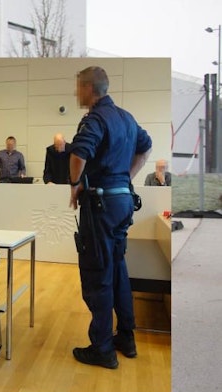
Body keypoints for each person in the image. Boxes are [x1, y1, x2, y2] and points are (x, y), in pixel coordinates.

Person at [68, 66, 152, 369]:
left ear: (89, 88)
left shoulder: (95, 118)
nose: (76, 93)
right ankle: (125, 338)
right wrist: (125, 179)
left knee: (97, 272)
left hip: (101, 205)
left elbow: (78, 154)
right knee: (117, 268)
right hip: (123, 202)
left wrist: (75, 185)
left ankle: (102, 348)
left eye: (78, 87)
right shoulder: (126, 118)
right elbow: (146, 148)